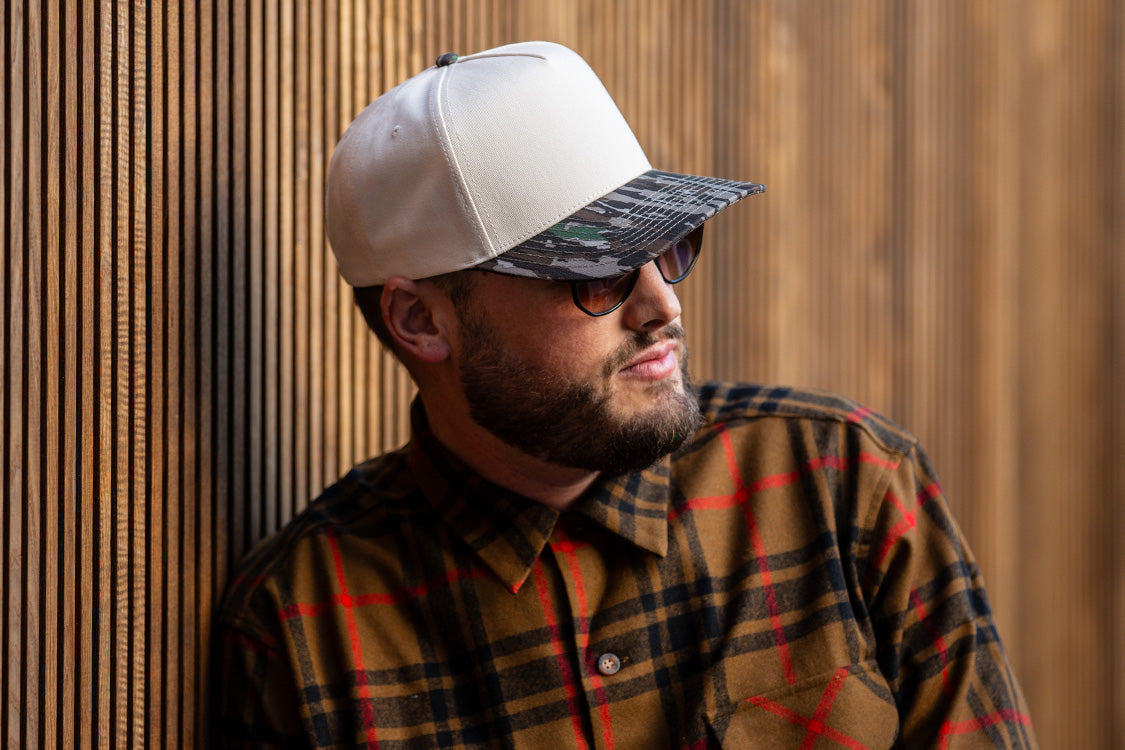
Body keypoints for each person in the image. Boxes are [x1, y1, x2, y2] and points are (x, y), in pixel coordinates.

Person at [212, 41, 1036, 748]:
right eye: (596, 273)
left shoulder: (840, 482)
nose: (662, 306)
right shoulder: (302, 627)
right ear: (421, 320)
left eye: (667, 245)